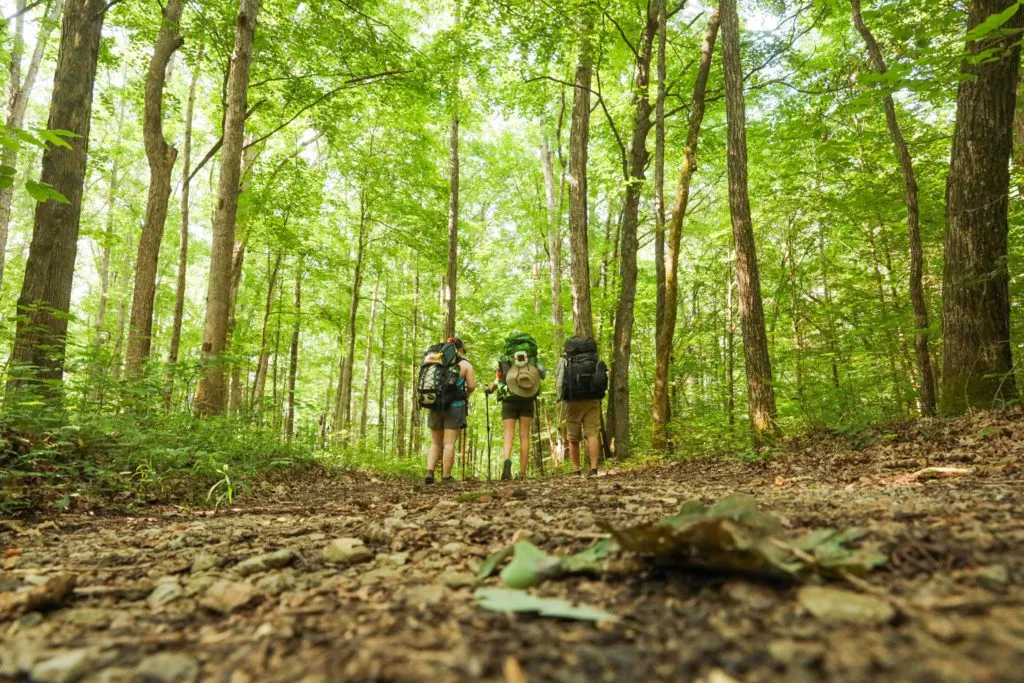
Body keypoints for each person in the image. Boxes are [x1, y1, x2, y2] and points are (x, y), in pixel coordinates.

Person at [484, 333, 544, 480]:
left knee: (508, 435)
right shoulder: (532, 359)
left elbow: (498, 379)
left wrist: (489, 390)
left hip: (508, 399)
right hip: (527, 397)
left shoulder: (505, 359)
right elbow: (541, 375)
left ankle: (506, 462)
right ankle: (522, 473)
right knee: (524, 435)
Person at [424, 337, 476, 484]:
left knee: (435, 443)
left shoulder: (433, 360)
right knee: (449, 443)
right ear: (459, 349)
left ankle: (429, 472)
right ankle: (446, 477)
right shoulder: (465, 364)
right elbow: (471, 386)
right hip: (455, 406)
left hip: (434, 405)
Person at [556, 336, 607, 477]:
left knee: (573, 437)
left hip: (572, 401)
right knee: (592, 434)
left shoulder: (566, 360)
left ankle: (576, 470)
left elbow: (559, 381)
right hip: (592, 400)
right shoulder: (593, 358)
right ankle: (594, 469)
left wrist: (560, 398)